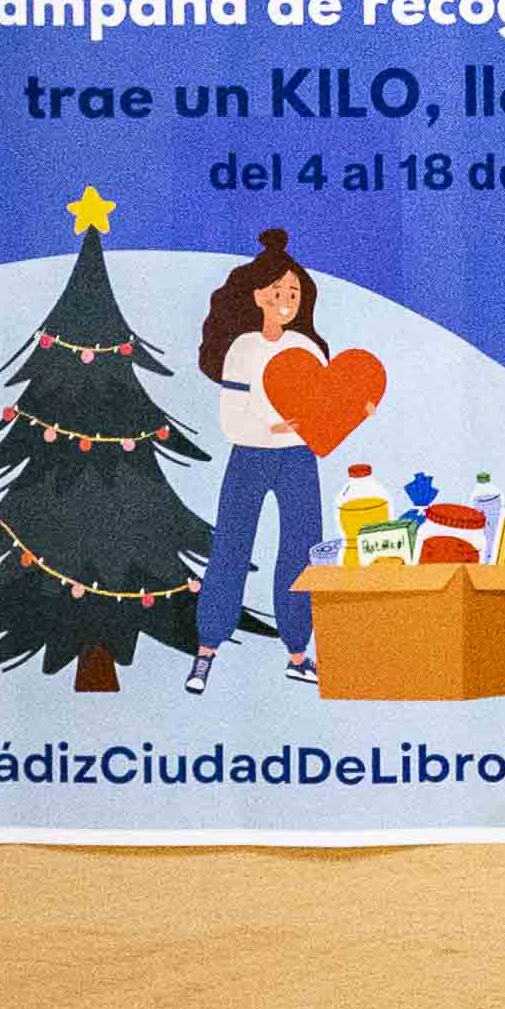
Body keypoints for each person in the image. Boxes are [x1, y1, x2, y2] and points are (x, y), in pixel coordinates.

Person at [180, 231, 330, 690]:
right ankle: (206, 649)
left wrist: (345, 413)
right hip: (248, 456)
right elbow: (233, 418)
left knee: (302, 551)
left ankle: (298, 652)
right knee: (230, 545)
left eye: (294, 294)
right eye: (278, 292)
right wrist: (276, 427)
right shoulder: (241, 350)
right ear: (257, 294)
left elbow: (323, 413)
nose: (286, 300)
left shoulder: (305, 348)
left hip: (299, 459)